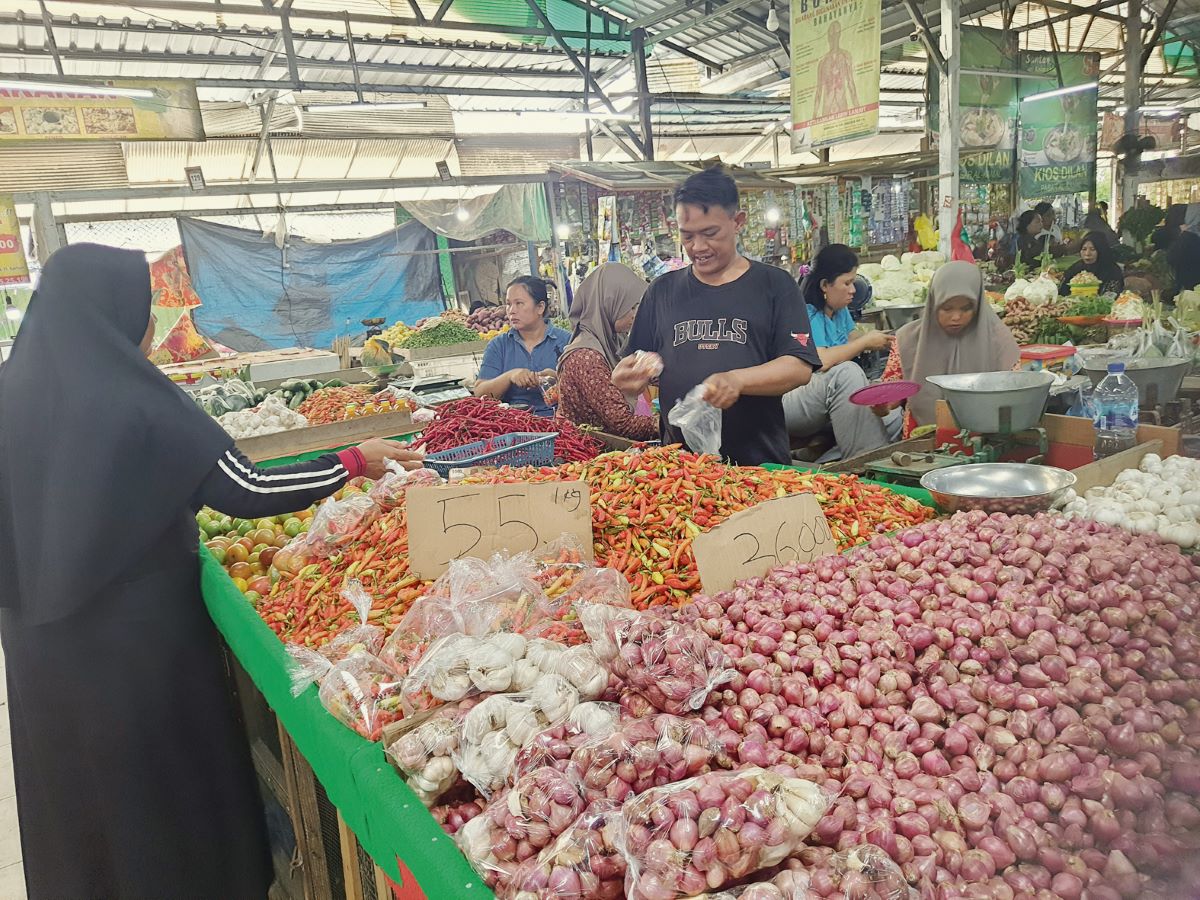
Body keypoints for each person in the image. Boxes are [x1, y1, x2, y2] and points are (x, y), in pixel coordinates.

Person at [0, 244, 425, 899]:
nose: (151, 331)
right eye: (145, 313)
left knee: (77, 799)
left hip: (41, 656)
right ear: (116, 314)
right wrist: (352, 461)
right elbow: (244, 490)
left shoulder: (9, 390)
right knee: (165, 801)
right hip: (139, 652)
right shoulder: (133, 395)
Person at [612, 166, 822, 466]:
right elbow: (637, 360)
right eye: (687, 236)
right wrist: (627, 377)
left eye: (710, 233)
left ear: (737, 222)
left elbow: (798, 366)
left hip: (759, 466)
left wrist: (738, 380)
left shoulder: (775, 285)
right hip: (679, 472)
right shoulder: (662, 290)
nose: (698, 247)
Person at [875, 261, 1021, 437]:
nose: (956, 317)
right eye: (946, 308)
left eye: (966, 308)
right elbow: (893, 392)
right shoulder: (908, 339)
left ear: (979, 305)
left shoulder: (1000, 341)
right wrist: (882, 405)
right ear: (933, 302)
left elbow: (1014, 396)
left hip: (985, 443)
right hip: (921, 444)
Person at [783, 244, 900, 460]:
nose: (853, 290)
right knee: (848, 372)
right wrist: (864, 342)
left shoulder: (839, 311)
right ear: (825, 285)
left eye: (853, 282)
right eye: (847, 283)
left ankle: (826, 461)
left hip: (827, 394)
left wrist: (883, 339)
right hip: (794, 398)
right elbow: (821, 360)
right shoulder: (806, 313)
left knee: (893, 414)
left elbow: (852, 337)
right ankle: (868, 464)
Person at [556, 263, 658, 441]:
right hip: (586, 456)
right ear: (609, 304)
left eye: (637, 307)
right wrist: (668, 423)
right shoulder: (586, 357)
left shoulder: (614, 339)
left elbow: (641, 373)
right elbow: (622, 424)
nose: (635, 314)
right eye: (630, 307)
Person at [473, 275, 570, 416]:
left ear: (540, 307)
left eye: (519, 303)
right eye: (508, 304)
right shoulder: (499, 345)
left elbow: (585, 392)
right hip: (513, 425)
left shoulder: (566, 342)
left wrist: (557, 378)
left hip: (561, 424)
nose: (511, 310)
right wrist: (510, 376)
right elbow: (479, 393)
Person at [1058, 231, 1125, 296]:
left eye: (1092, 249)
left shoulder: (1113, 271)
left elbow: (1110, 297)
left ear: (1101, 250)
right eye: (1084, 249)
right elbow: (1062, 291)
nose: (1087, 254)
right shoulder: (1076, 268)